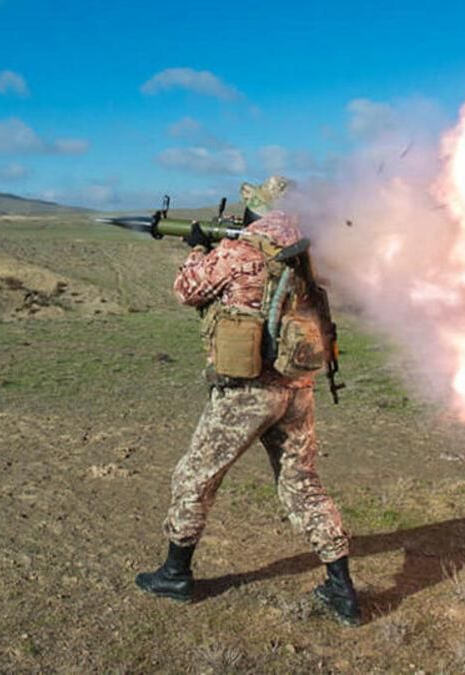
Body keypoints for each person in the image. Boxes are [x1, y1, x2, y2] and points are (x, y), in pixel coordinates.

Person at [134, 176, 361, 626]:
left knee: (195, 476)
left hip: (246, 392)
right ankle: (342, 587)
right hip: (297, 389)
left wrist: (198, 248)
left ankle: (176, 573)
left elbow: (187, 291)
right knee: (303, 484)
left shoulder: (238, 251)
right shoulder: (308, 255)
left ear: (254, 209)